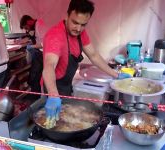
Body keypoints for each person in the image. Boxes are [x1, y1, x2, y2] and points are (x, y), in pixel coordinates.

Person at [42, 0, 131, 128]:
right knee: (51, 124)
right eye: (75, 22)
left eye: (83, 24)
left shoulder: (81, 34)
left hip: (66, 85)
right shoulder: (55, 36)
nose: (78, 28)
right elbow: (49, 65)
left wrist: (116, 75)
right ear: (66, 16)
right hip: (51, 88)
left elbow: (94, 55)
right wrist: (53, 95)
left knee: (65, 121)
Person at [19, 15, 47, 99]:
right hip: (39, 54)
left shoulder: (40, 25)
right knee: (35, 76)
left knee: (35, 76)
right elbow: (34, 38)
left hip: (42, 55)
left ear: (29, 22)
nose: (27, 29)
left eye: (26, 27)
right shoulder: (35, 26)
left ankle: (35, 97)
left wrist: (32, 47)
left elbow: (43, 43)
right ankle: (35, 94)